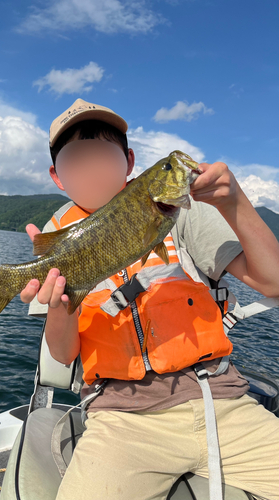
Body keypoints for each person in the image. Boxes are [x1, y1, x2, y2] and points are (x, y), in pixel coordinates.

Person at [20, 98, 279, 500]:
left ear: (129, 161)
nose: (92, 168)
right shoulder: (55, 240)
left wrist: (234, 203)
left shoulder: (181, 211)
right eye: (77, 159)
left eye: (104, 155)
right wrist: (60, 302)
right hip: (120, 416)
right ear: (57, 176)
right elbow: (63, 351)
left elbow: (273, 283)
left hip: (221, 399)